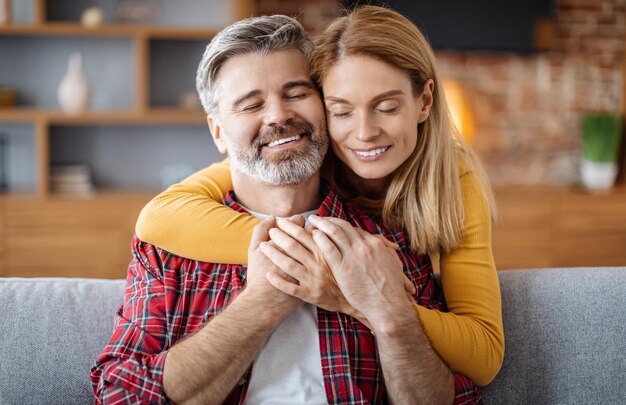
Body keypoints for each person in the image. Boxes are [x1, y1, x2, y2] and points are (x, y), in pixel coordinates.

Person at [90, 13, 481, 404]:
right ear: (218, 133)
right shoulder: (169, 250)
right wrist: (264, 301)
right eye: (250, 104)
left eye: (296, 93)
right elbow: (119, 395)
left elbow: (462, 397)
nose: (278, 115)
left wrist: (390, 315)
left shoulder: (383, 240)